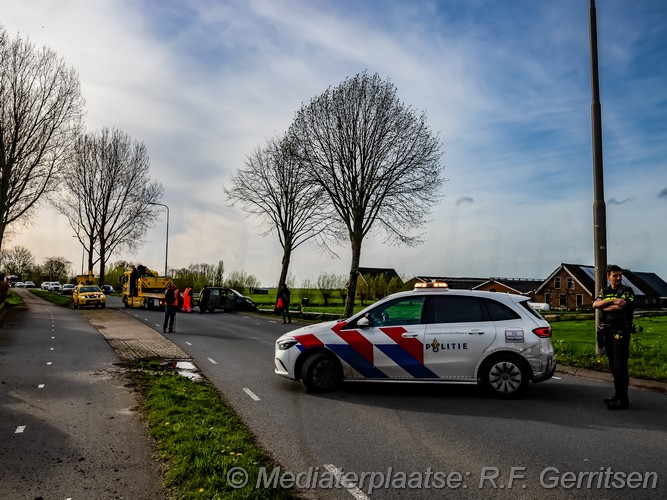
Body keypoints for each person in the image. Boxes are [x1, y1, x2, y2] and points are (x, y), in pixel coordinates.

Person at [592, 265, 635, 410]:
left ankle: (623, 399)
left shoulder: (627, 291)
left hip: (621, 332)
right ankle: (617, 395)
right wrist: (613, 301)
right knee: (613, 365)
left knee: (620, 366)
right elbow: (595, 304)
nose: (618, 278)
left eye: (620, 275)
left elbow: (619, 308)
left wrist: (606, 305)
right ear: (608, 276)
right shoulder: (605, 291)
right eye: (615, 275)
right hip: (608, 333)